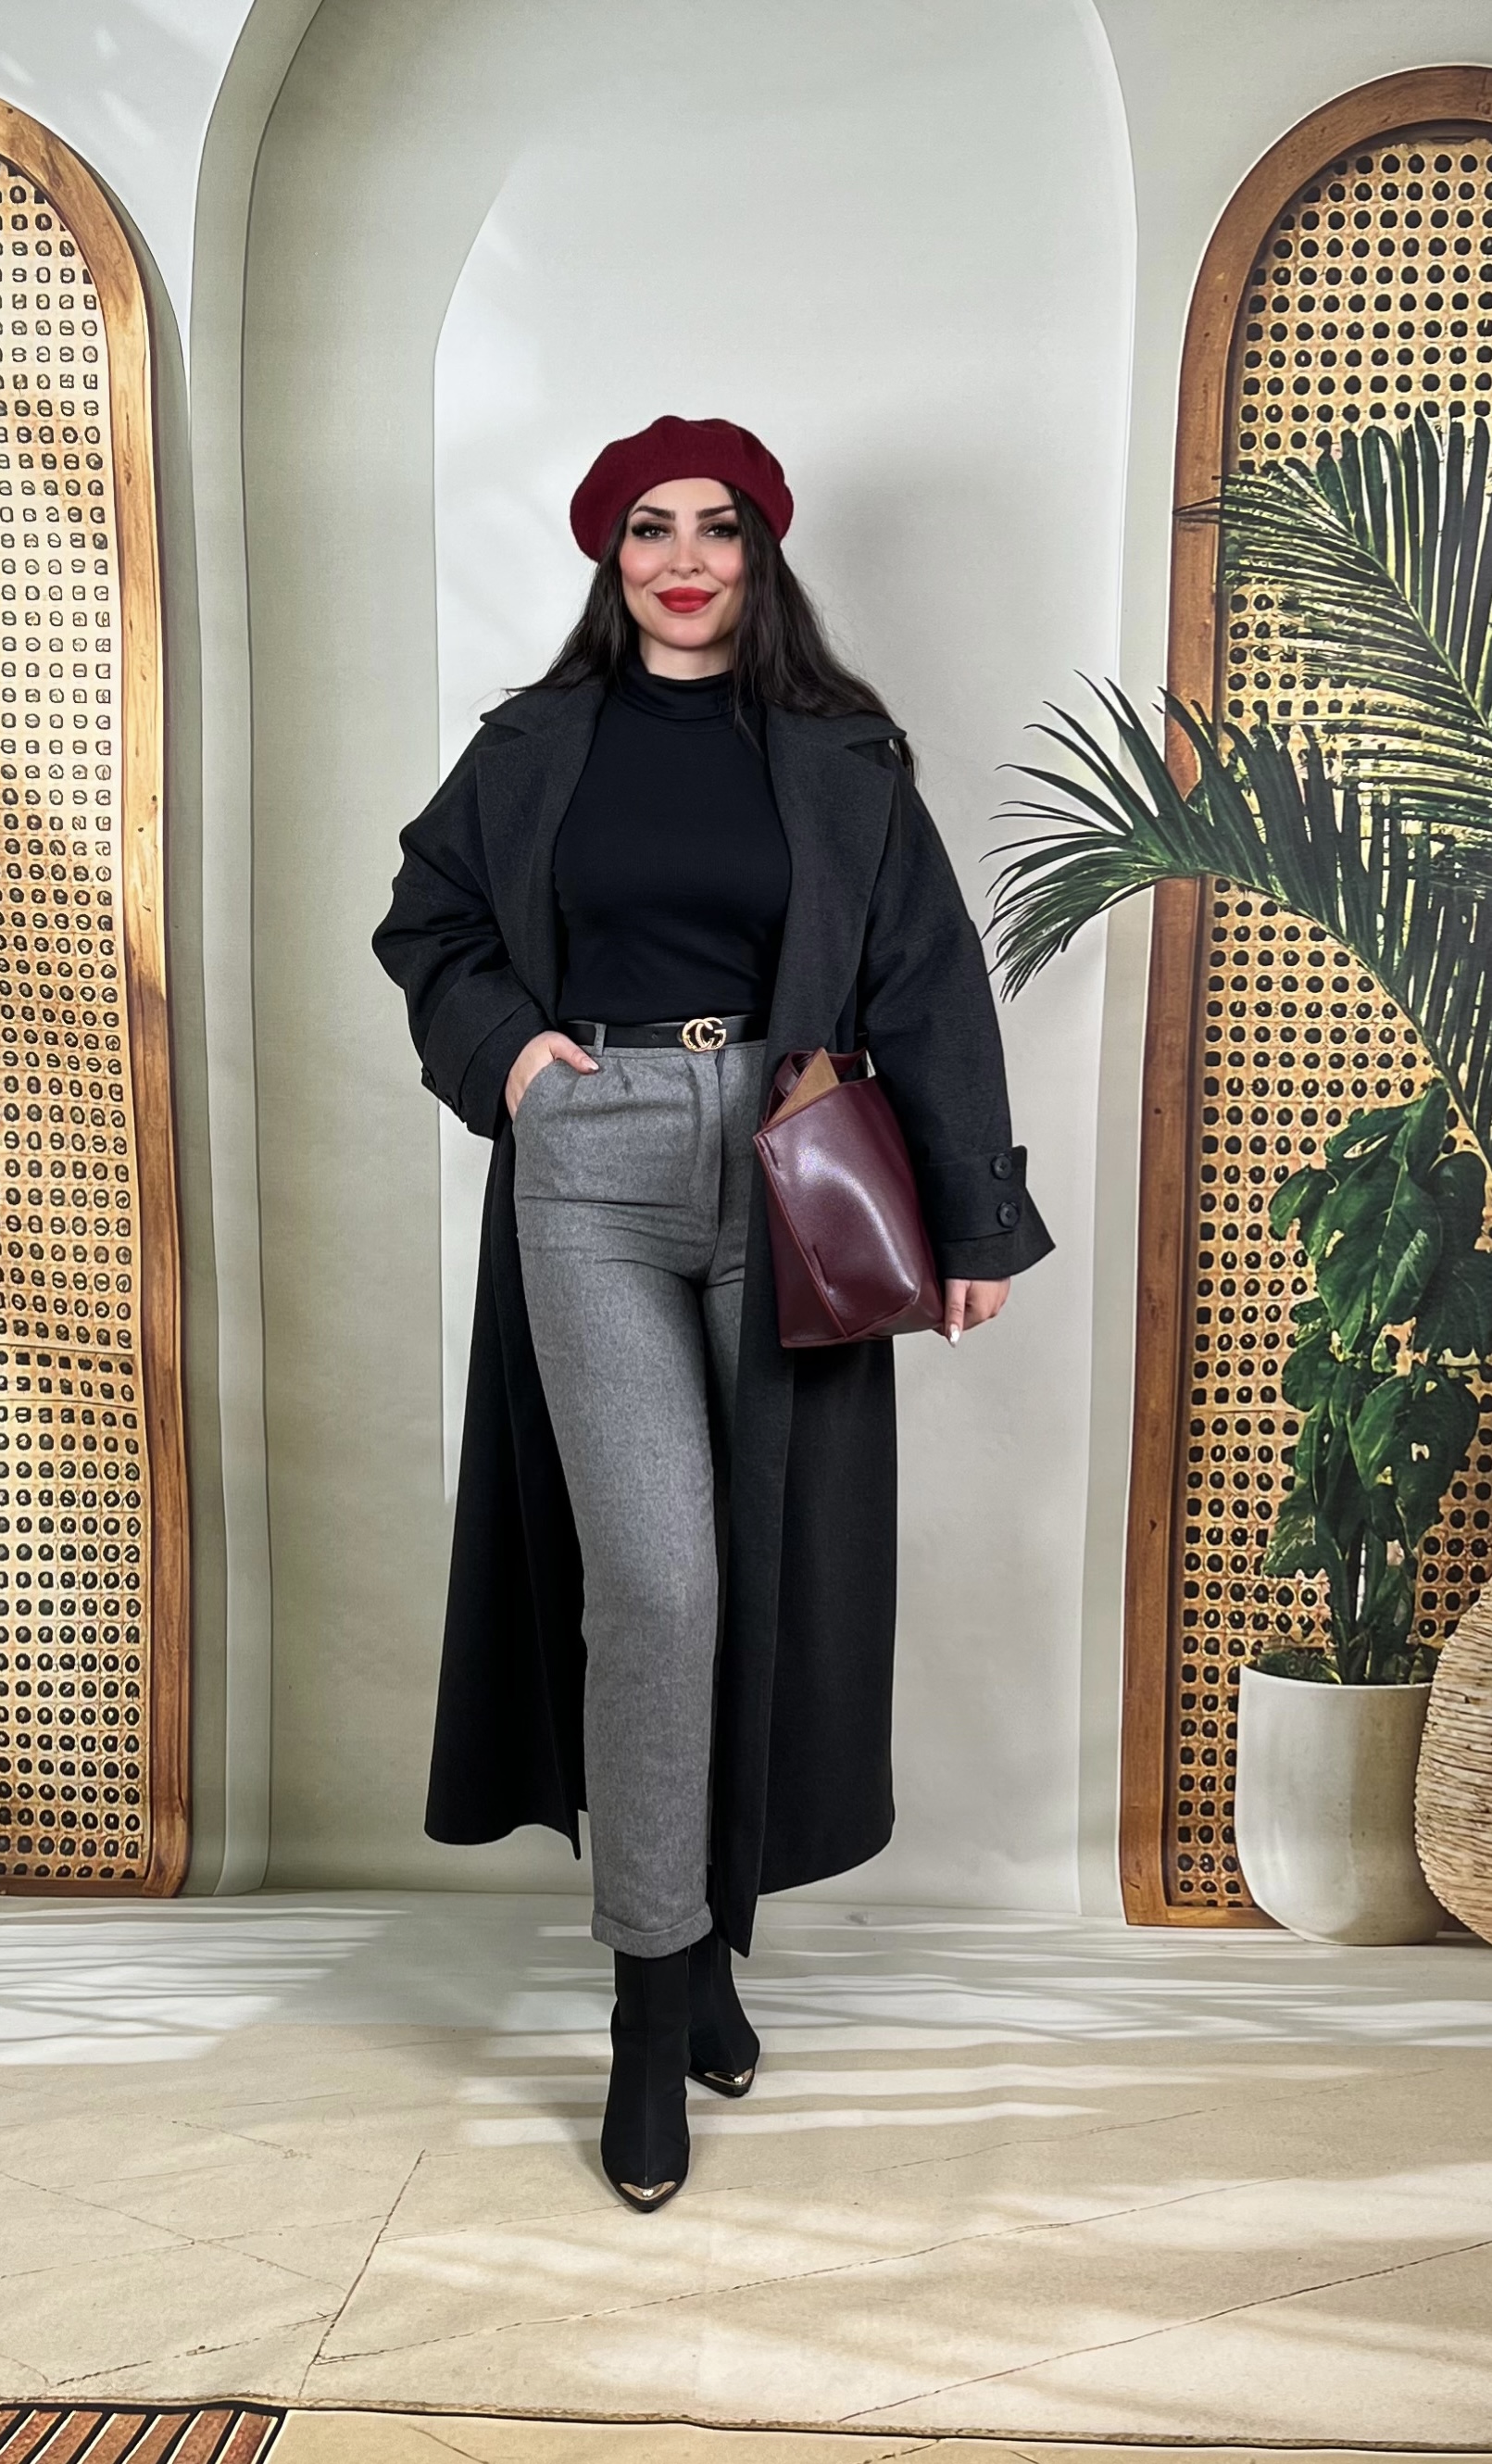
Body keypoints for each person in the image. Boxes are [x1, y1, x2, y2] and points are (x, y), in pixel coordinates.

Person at [374, 414, 1050, 2211]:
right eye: (651, 529)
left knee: (755, 1575)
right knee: (657, 1584)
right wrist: (511, 1057)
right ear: (610, 557)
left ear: (762, 552)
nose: (685, 560)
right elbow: (428, 925)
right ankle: (644, 2003)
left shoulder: (839, 753)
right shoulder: (533, 747)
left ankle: (706, 1943)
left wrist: (972, 1212)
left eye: (720, 527)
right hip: (591, 1162)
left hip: (790, 1158)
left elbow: (925, 973)